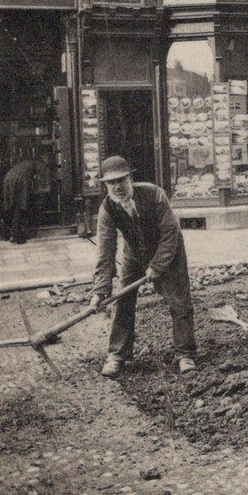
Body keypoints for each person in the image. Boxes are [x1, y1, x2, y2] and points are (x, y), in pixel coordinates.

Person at [88, 156, 197, 376]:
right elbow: (105, 250)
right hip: (133, 254)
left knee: (179, 300)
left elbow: (170, 233)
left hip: (169, 251)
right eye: (112, 183)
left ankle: (185, 354)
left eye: (121, 180)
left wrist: (158, 265)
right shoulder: (107, 208)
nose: (117, 187)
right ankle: (117, 355)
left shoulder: (154, 195)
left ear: (130, 178)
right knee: (122, 301)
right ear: (106, 185)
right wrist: (100, 290)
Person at [1, 158, 47, 244]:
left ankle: (7, 234)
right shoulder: (39, 164)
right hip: (21, 179)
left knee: (10, 206)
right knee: (21, 206)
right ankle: (16, 235)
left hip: (8, 178)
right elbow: (39, 180)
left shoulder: (23, 163)